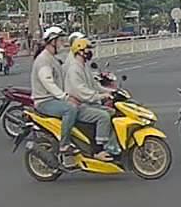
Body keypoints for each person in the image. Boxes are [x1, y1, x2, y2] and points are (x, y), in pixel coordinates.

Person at [63, 37, 121, 161]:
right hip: (79, 106)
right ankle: (98, 150)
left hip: (86, 103)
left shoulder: (84, 66)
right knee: (103, 116)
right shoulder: (74, 69)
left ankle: (111, 145)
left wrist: (109, 91)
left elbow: (94, 85)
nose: (90, 51)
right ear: (80, 51)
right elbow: (81, 92)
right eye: (87, 49)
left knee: (112, 112)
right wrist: (100, 96)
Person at [31, 26, 79, 155]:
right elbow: (48, 83)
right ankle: (65, 144)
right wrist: (66, 97)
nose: (62, 43)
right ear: (52, 41)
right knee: (70, 109)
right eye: (60, 41)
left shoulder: (53, 58)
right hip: (45, 102)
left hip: (54, 99)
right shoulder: (43, 60)